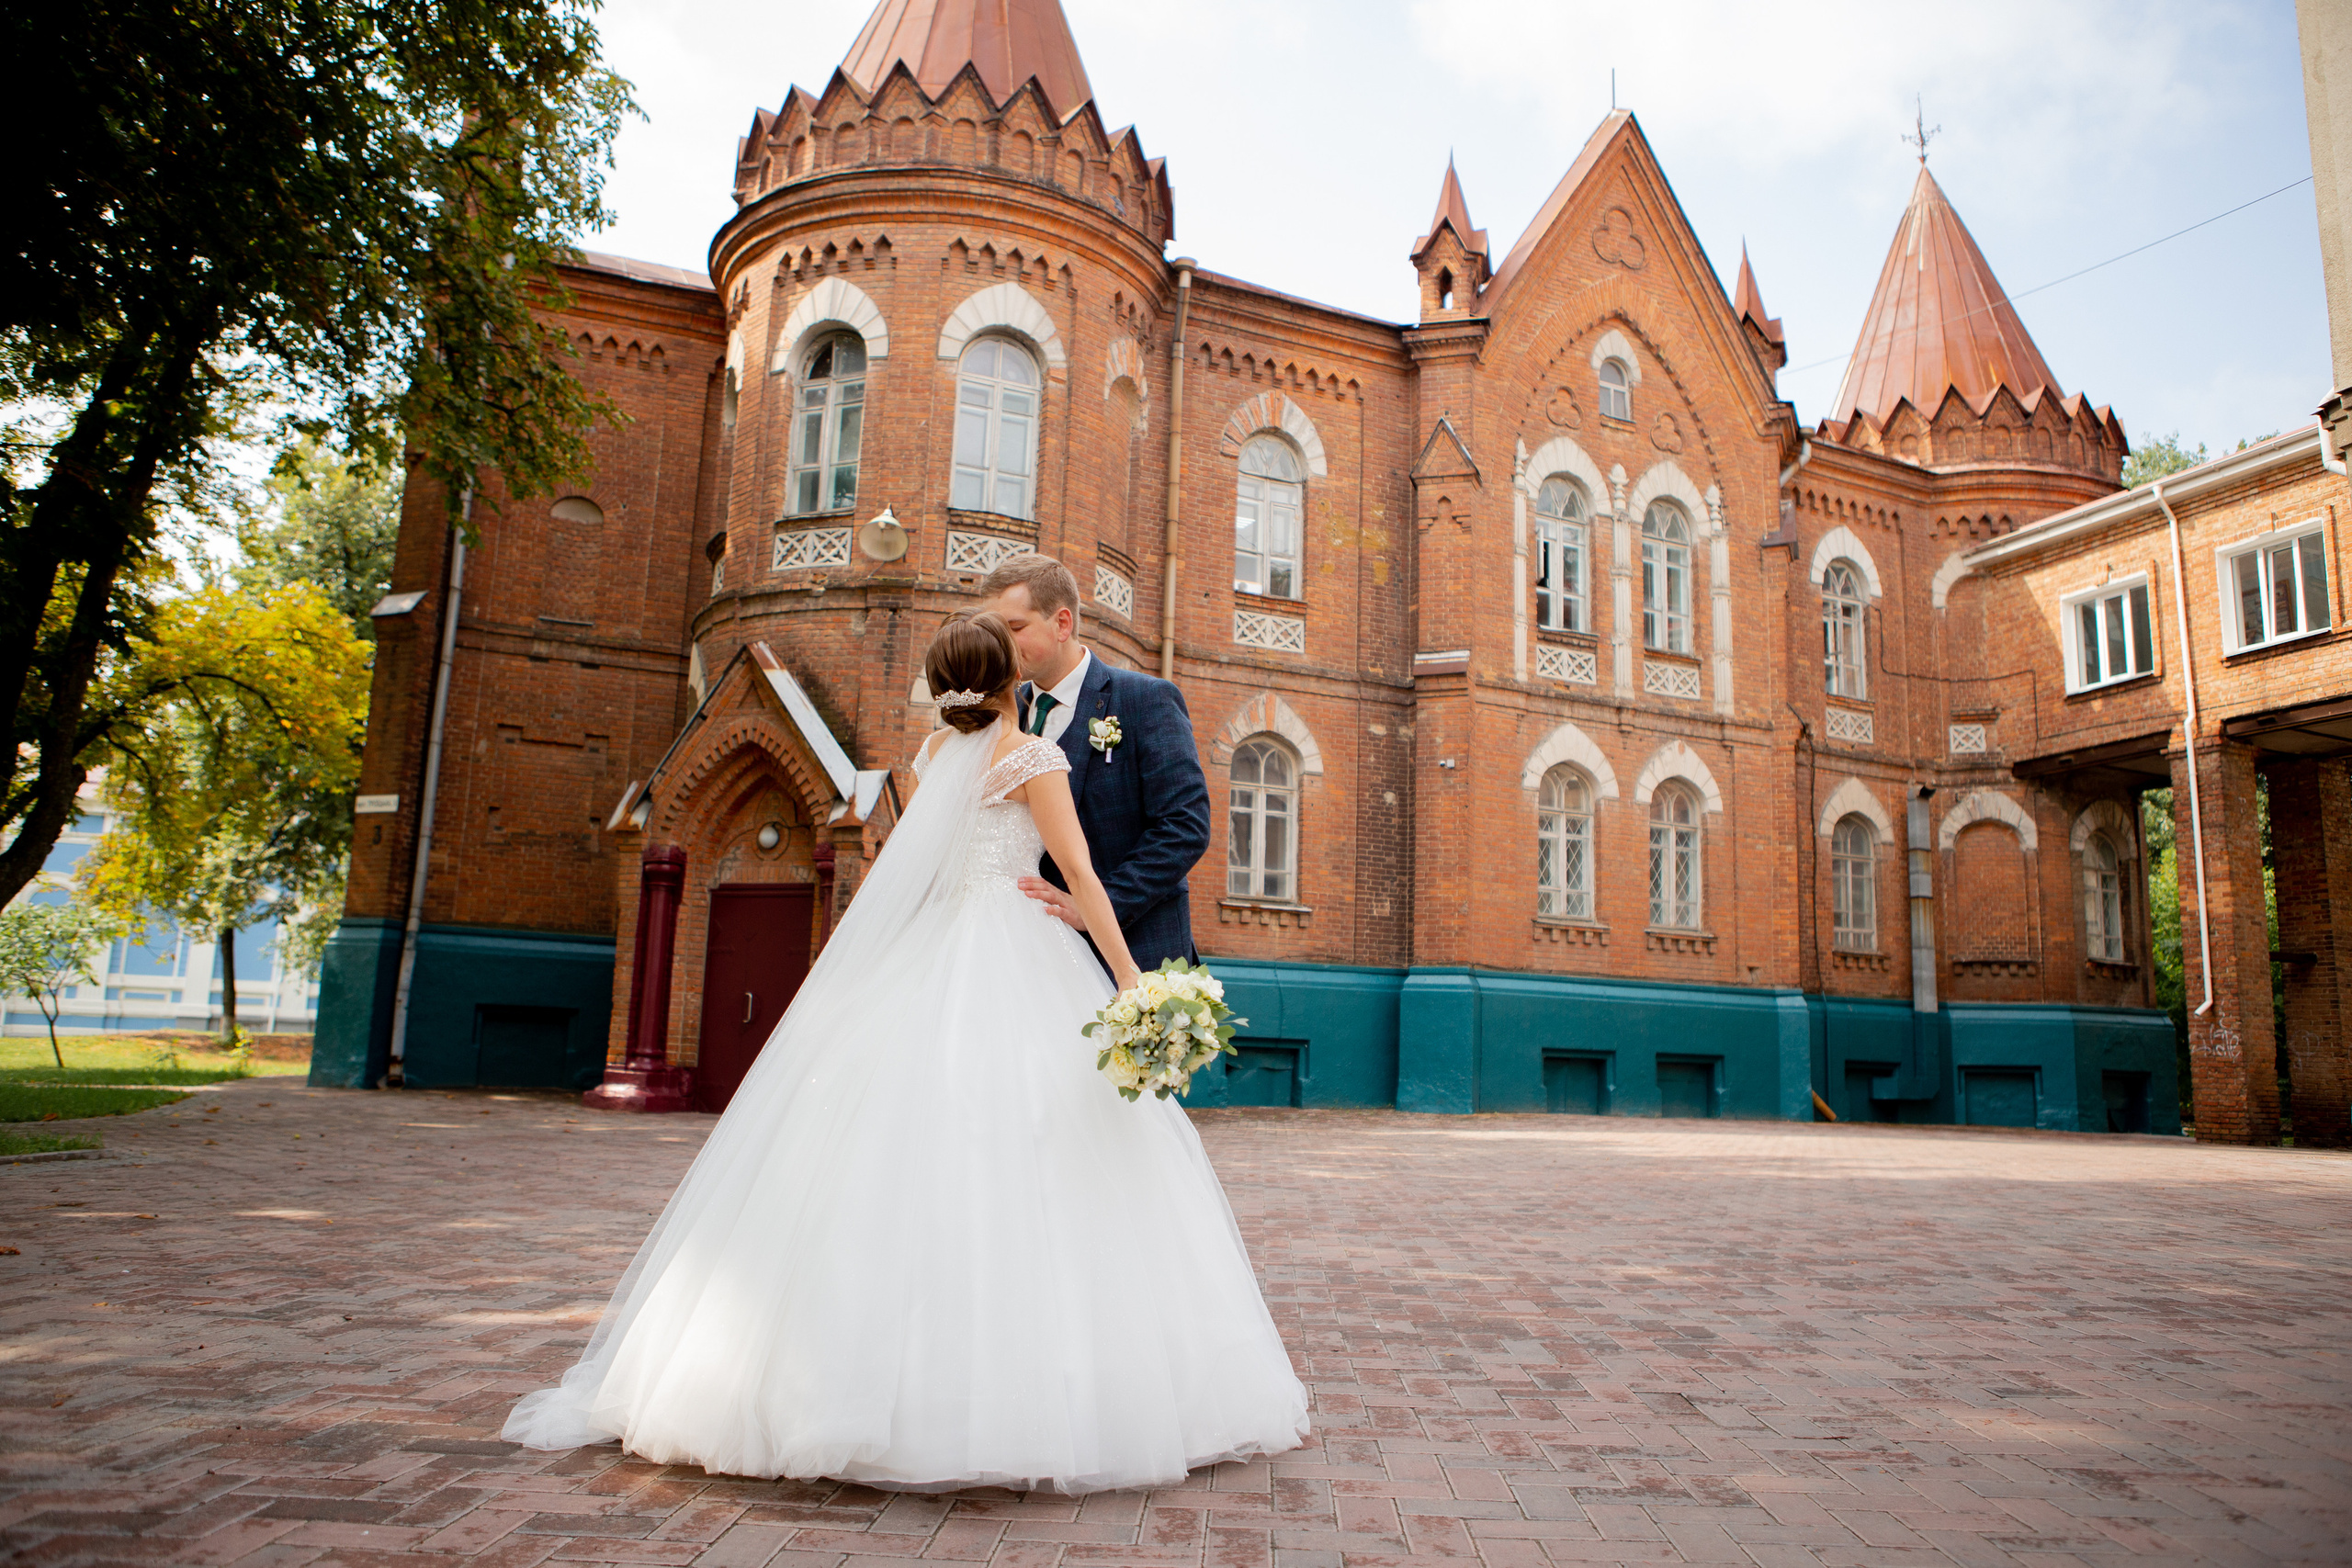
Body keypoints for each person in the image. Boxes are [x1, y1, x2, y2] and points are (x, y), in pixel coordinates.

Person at [501, 611, 1308, 1492]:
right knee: (1043, 1154)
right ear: (1012, 681)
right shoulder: (1036, 758)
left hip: (937, 952)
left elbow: (915, 877)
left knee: (895, 1154)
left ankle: (827, 1384)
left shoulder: (931, 761)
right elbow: (1077, 875)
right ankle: (1032, 1397)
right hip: (1025, 948)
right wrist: (1131, 981)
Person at [975, 555, 1211, 974]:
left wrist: (1096, 904)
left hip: (1137, 956)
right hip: (1033, 964)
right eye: (993, 632)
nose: (1000, 647)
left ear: (1062, 623)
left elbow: (1184, 826)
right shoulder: (1003, 718)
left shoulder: (1145, 700)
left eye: (1013, 629)